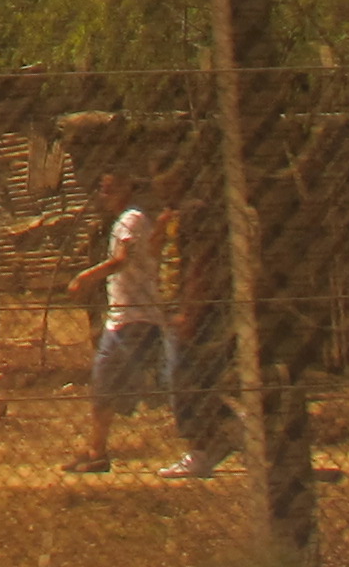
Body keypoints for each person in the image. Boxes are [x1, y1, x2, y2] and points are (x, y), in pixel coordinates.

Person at [63, 166, 169, 473]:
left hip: (132, 316)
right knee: (115, 382)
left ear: (125, 188)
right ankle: (96, 447)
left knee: (104, 381)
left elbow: (121, 260)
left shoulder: (130, 219)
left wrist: (86, 277)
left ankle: (97, 451)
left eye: (109, 189)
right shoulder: (132, 220)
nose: (103, 196)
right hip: (128, 313)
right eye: (102, 189)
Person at [153, 167, 235, 481]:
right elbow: (154, 253)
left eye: (162, 176)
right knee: (184, 378)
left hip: (193, 310)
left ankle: (201, 451)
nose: (157, 184)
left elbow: (201, 262)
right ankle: (230, 433)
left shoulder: (194, 212)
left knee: (184, 379)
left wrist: (191, 310)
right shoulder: (170, 215)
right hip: (174, 305)